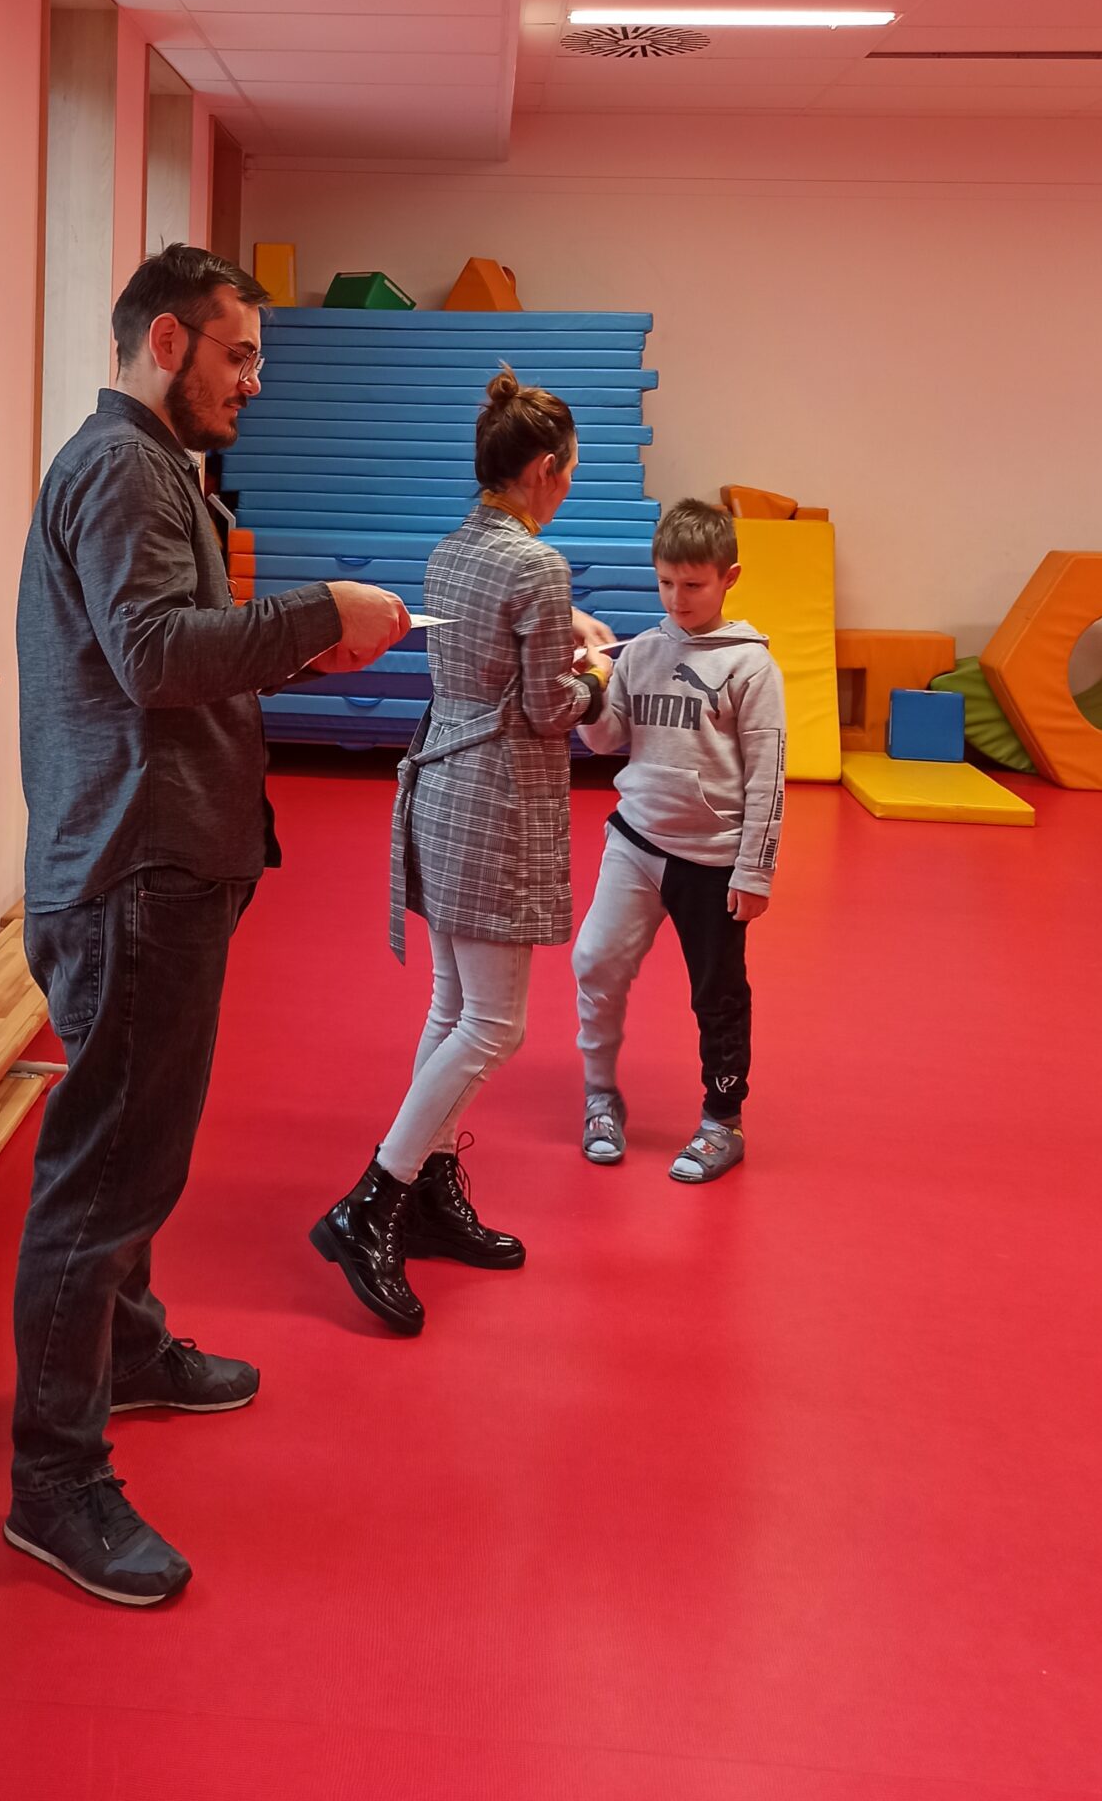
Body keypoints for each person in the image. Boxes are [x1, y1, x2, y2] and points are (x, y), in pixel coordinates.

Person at [6, 244, 408, 1606]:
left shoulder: (148, 466)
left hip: (151, 863)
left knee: (137, 1159)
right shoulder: (123, 469)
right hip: (130, 873)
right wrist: (312, 615)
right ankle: (52, 1480)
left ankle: (125, 1349)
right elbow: (155, 657)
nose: (252, 383)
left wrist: (297, 641)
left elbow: (171, 651)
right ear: (167, 342)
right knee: (103, 1178)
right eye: (238, 357)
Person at [310, 371, 614, 1335]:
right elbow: (545, 710)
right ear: (543, 468)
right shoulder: (539, 566)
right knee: (494, 1023)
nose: (569, 487)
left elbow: (491, 655)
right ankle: (376, 1199)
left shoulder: (453, 550)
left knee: (452, 1006)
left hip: (442, 781)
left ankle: (432, 1190)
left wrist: (559, 639)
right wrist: (597, 679)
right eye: (568, 472)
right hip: (496, 799)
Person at [570, 497, 787, 1184]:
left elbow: (768, 776)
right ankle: (600, 1098)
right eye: (665, 582)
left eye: (693, 584)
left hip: (713, 858)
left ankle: (723, 1122)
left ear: (729, 578)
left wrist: (755, 871)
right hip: (636, 841)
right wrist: (588, 685)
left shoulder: (751, 667)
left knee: (717, 993)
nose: (677, 597)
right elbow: (604, 740)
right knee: (593, 961)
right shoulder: (641, 653)